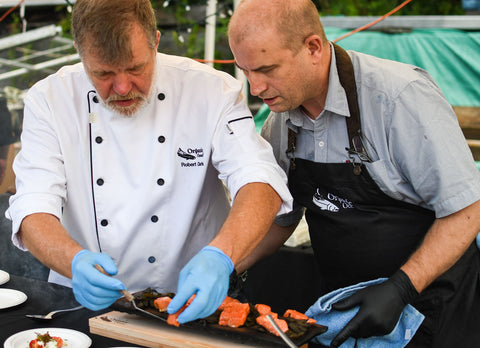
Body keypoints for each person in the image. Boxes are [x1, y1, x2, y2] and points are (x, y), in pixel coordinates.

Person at [5, 0, 293, 325]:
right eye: (103, 73)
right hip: (82, 307)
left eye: (136, 68)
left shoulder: (211, 90)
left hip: (192, 303)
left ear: (156, 41)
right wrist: (74, 262)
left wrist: (220, 256)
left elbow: (260, 181)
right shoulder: (49, 100)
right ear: (80, 51)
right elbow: (32, 207)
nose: (123, 87)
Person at [228, 0, 480, 346]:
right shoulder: (282, 119)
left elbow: (467, 208)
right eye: (245, 71)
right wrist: (231, 264)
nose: (255, 88)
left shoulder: (399, 98)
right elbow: (281, 218)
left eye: (267, 69)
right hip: (346, 311)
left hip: (432, 307)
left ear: (313, 47)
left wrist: (400, 287)